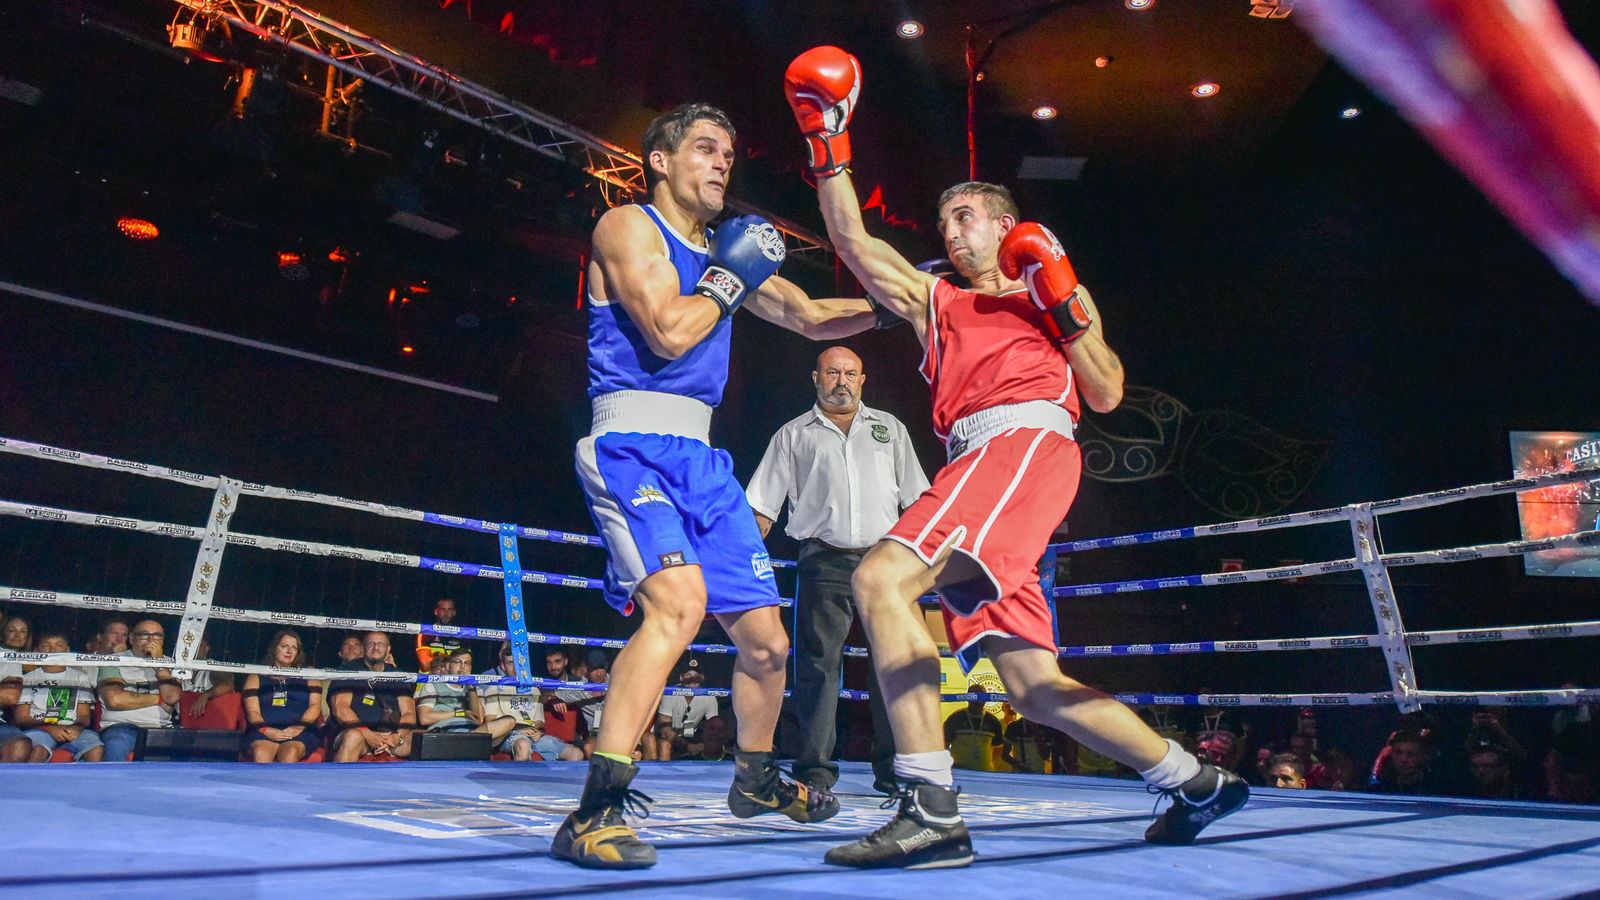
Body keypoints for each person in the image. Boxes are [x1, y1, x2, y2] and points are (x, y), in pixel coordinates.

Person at [785, 45, 1247, 869]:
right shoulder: (938, 302)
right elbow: (853, 239)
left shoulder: (1049, 291)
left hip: (1028, 444)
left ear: (1006, 225)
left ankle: (930, 808)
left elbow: (1104, 392)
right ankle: (1194, 781)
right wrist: (828, 138)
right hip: (978, 462)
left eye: (967, 218)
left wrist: (1065, 307)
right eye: (944, 222)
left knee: (881, 577)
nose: (951, 234)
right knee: (1033, 688)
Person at [555, 101, 875, 870]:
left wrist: (914, 305)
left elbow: (808, 316)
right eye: (705, 149)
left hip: (702, 457)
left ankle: (756, 781)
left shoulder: (722, 254)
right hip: (631, 442)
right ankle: (594, 811)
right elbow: (667, 330)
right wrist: (731, 274)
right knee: (679, 605)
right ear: (661, 160)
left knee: (766, 645)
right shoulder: (628, 227)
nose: (722, 163)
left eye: (729, 153)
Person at [746, 345, 927, 795]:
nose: (841, 381)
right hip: (822, 559)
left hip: (887, 562)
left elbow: (919, 501)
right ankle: (815, 772)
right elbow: (761, 510)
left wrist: (925, 562)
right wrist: (739, 573)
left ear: (863, 379)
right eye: (832, 373)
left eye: (850, 373)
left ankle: (900, 771)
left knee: (895, 665)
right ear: (816, 378)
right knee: (818, 671)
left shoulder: (890, 428)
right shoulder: (793, 435)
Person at [2, 631, 103, 762]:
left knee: (95, 748)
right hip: (40, 730)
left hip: (73, 729)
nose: (53, 650)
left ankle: (93, 782)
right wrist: (49, 728)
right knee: (37, 750)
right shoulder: (28, 679)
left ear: (67, 650)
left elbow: (84, 716)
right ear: (37, 651)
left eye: (59, 645)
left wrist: (76, 728)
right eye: (46, 645)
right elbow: (22, 718)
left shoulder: (80, 677)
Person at [97, 619, 181, 761]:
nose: (150, 640)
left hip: (160, 728)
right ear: (131, 638)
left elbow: (172, 697)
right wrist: (159, 699)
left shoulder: (170, 664)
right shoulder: (113, 660)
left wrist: (158, 663)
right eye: (144, 635)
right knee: (117, 744)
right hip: (121, 727)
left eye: (157, 636)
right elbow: (115, 700)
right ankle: (110, 782)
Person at [326, 632, 416, 762]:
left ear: (388, 649)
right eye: (371, 643)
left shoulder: (398, 675)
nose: (376, 647)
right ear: (363, 648)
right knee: (353, 737)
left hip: (390, 738)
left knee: (421, 739)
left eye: (380, 644)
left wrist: (398, 736)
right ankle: (339, 780)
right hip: (358, 733)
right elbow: (340, 708)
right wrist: (366, 733)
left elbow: (409, 713)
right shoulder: (348, 671)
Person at [241, 629, 322, 763]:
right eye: (284, 646)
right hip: (263, 730)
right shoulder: (256, 675)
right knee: (261, 752)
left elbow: (315, 706)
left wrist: (298, 728)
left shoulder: (309, 674)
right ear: (275, 648)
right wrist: (267, 730)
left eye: (293, 648)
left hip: (299, 731)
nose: (289, 651)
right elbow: (252, 712)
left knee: (290, 752)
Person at [415, 598, 464, 672]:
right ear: (436, 612)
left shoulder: (462, 634)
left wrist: (438, 656)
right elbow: (425, 665)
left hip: (453, 682)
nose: (446, 613)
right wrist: (453, 661)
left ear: (454, 613)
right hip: (428, 682)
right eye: (443, 609)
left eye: (449, 609)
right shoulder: (426, 632)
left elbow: (465, 665)